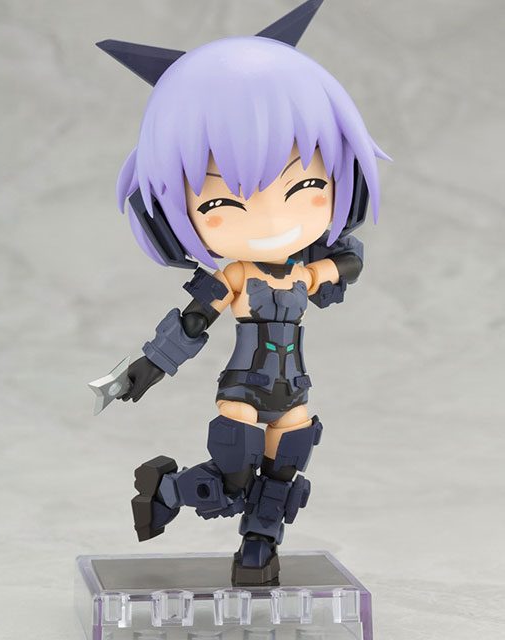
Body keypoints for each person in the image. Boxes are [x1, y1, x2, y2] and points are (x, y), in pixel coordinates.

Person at [94, 0, 388, 585]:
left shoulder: (307, 271)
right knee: (233, 472)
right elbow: (192, 322)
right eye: (222, 201)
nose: (272, 220)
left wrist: (331, 267)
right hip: (245, 386)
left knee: (285, 472)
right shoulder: (237, 278)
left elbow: (348, 265)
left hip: (294, 386)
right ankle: (168, 489)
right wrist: (146, 369)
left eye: (307, 183)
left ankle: (258, 551)